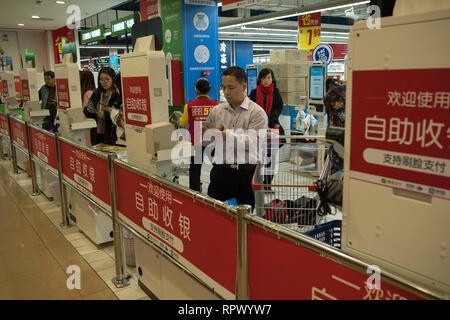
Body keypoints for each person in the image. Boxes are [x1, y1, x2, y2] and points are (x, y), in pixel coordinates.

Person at [204, 66, 268, 210]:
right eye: (224, 87)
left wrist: (228, 136)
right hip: (220, 171)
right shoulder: (217, 111)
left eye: (231, 88)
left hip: (245, 174)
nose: (226, 92)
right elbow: (208, 135)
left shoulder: (256, 113)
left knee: (244, 221)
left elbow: (254, 143)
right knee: (213, 214)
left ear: (244, 86)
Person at [179, 78, 218, 192]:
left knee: (195, 168)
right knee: (217, 166)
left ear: (196, 90)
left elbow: (183, 122)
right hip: (212, 140)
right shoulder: (216, 105)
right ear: (209, 90)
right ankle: (216, 189)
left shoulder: (189, 105)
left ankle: (194, 192)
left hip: (196, 140)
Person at [249, 68, 285, 189]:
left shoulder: (276, 92)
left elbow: (279, 107)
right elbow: (251, 109)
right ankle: (256, 181)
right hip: (257, 129)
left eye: (269, 78)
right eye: (264, 78)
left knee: (271, 157)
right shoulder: (254, 92)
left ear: (272, 79)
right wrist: (260, 120)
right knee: (256, 156)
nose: (266, 80)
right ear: (260, 78)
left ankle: (267, 184)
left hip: (272, 127)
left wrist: (268, 119)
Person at [83, 67, 122, 145]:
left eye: (107, 79)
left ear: (112, 79)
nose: (104, 82)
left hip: (112, 133)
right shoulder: (96, 93)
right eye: (101, 79)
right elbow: (86, 110)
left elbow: (120, 115)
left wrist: (105, 115)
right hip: (96, 132)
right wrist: (90, 111)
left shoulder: (117, 95)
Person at [79, 70, 96, 146]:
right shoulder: (87, 92)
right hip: (86, 126)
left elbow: (86, 112)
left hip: (87, 127)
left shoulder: (88, 93)